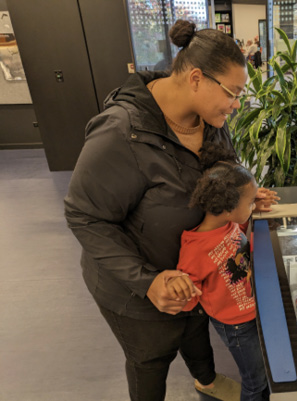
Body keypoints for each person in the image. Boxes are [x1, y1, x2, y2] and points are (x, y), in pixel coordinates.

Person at [64, 19, 278, 401]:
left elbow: (223, 174)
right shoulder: (120, 133)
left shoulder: (211, 119)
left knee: (195, 332)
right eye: (233, 92)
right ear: (196, 78)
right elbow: (84, 215)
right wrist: (148, 281)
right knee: (152, 358)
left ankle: (206, 380)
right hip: (136, 288)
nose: (237, 104)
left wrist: (244, 197)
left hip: (194, 272)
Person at [167, 143, 270, 401]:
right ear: (227, 208)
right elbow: (187, 299)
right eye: (249, 202)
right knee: (254, 382)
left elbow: (240, 226)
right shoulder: (195, 249)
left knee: (262, 372)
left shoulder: (228, 223)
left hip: (253, 311)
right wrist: (179, 286)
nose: (253, 204)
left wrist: (253, 207)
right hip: (236, 325)